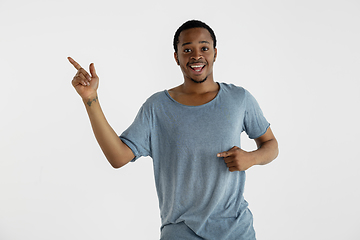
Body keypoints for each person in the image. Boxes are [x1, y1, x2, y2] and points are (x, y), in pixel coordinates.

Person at [69, 20, 278, 240]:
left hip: (237, 232)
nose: (196, 56)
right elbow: (117, 157)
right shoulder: (157, 107)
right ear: (176, 57)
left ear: (215, 53)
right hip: (180, 233)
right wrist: (90, 99)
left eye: (204, 48)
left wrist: (251, 158)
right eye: (187, 49)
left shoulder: (239, 99)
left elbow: (271, 145)